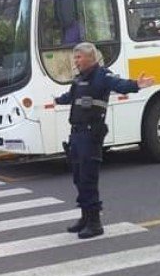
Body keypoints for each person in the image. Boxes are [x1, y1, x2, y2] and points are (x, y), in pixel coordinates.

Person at [55, 42, 154, 238]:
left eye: (79, 57)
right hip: (76, 134)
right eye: (75, 57)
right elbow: (71, 96)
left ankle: (95, 223)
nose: (76, 61)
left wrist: (136, 85)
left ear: (91, 58)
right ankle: (84, 216)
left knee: (88, 178)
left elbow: (120, 85)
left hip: (91, 135)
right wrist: (57, 100)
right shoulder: (79, 79)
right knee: (78, 176)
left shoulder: (102, 75)